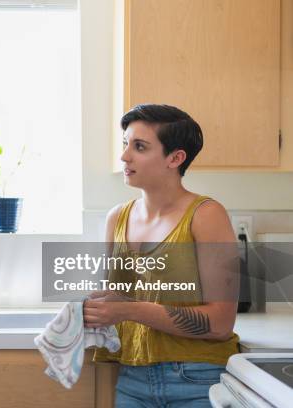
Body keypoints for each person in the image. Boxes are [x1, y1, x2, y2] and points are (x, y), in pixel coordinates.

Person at [85, 104, 240, 407]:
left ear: (175, 158)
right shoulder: (117, 217)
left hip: (198, 378)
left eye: (139, 146)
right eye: (125, 144)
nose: (124, 156)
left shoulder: (206, 215)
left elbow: (221, 323)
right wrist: (94, 310)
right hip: (132, 377)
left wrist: (130, 309)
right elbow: (118, 301)